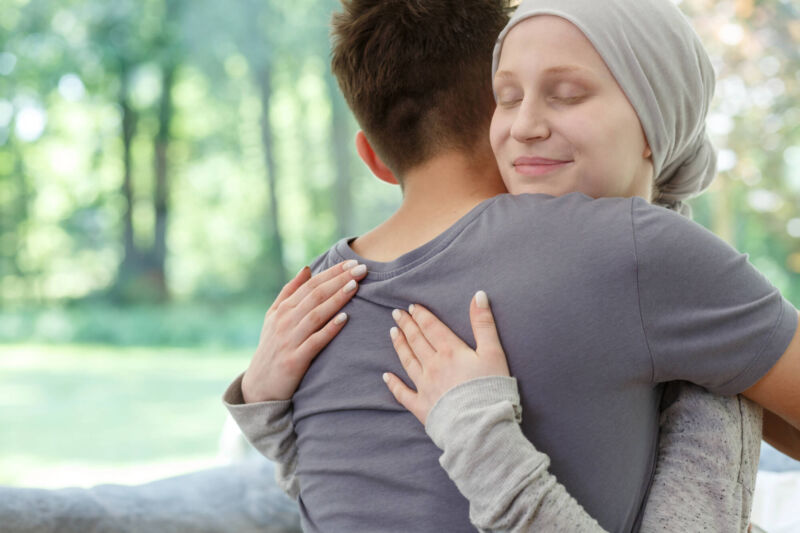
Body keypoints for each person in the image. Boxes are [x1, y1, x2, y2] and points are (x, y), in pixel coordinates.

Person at [223, 1, 800, 531]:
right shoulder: (632, 250)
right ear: (487, 111)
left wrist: (264, 409)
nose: (527, 123)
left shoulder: (313, 297)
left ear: (372, 156)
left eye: (566, 93)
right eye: (509, 95)